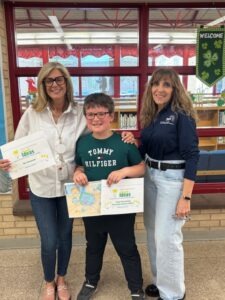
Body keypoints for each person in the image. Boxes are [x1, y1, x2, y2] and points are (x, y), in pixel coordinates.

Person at [0, 62, 134, 300]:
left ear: (66, 82)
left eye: (59, 79)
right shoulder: (33, 113)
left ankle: (61, 279)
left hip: (71, 187)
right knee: (50, 240)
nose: (55, 84)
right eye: (49, 80)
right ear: (43, 85)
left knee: (65, 236)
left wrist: (124, 135)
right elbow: (18, 146)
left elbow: (95, 137)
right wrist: (9, 161)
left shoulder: (78, 113)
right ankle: (48, 281)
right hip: (41, 186)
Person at [73, 92, 146, 300]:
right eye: (90, 114)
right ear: (86, 117)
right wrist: (78, 173)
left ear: (111, 116)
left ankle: (135, 287)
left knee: (127, 248)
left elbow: (141, 168)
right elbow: (78, 165)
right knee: (93, 247)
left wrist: (124, 172)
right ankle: (90, 281)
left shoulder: (124, 142)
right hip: (92, 205)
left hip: (120, 207)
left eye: (101, 114)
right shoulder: (83, 143)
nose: (95, 119)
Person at [139, 67, 199, 300]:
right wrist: (130, 141)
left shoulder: (181, 115)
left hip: (172, 182)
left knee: (168, 238)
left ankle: (173, 294)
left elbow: (192, 155)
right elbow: (144, 149)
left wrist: (185, 197)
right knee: (154, 233)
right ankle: (160, 281)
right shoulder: (152, 116)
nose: (159, 89)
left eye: (166, 85)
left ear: (175, 89)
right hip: (151, 177)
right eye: (155, 84)